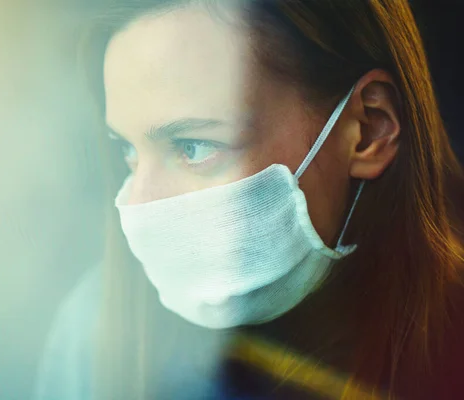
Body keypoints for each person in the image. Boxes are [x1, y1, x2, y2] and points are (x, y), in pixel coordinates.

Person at [34, 1, 464, 399]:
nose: (139, 206)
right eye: (128, 151)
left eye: (193, 147)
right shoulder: (97, 331)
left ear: (368, 130)